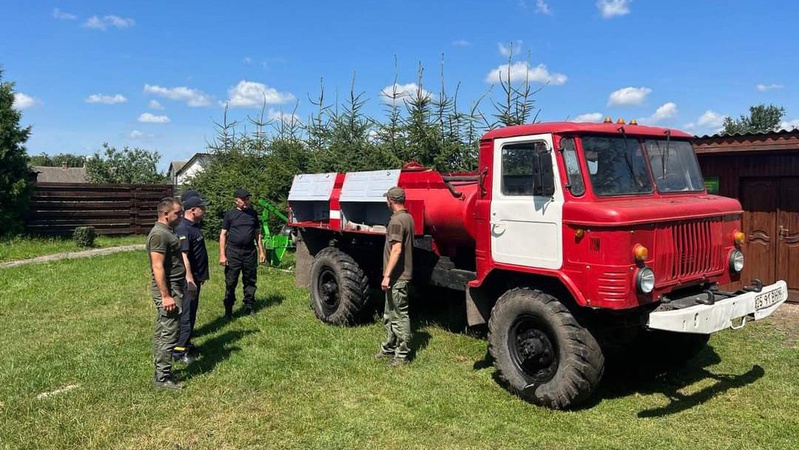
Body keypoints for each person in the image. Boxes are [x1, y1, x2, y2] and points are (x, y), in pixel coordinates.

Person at [146, 197, 186, 390]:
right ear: (165, 214)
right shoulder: (159, 235)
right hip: (168, 290)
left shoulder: (168, 231)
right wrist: (166, 295)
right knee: (169, 333)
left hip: (175, 286)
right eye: (177, 213)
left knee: (164, 330)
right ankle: (162, 378)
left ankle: (160, 370)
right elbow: (157, 266)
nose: (180, 216)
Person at [375, 186, 415, 366]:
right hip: (397, 277)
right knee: (389, 314)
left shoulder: (397, 221)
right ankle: (389, 347)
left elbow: (397, 250)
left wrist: (386, 275)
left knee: (399, 315)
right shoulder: (408, 217)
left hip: (397, 277)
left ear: (390, 201)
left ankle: (402, 355)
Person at [172, 195, 209, 364]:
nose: (205, 211)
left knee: (191, 313)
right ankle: (179, 352)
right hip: (189, 281)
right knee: (186, 315)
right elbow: (183, 256)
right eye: (203, 208)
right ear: (193, 210)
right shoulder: (183, 228)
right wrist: (189, 279)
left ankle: (186, 343)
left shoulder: (193, 226)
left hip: (195, 279)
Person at [219, 188, 266, 319]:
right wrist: (222, 255)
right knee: (231, 281)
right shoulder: (230, 214)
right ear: (236, 201)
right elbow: (223, 234)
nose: (246, 201)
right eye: (243, 199)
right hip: (233, 252)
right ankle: (228, 309)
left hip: (250, 252)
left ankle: (249, 305)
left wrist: (261, 251)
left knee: (250, 280)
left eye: (248, 199)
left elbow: (257, 234)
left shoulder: (253, 214)